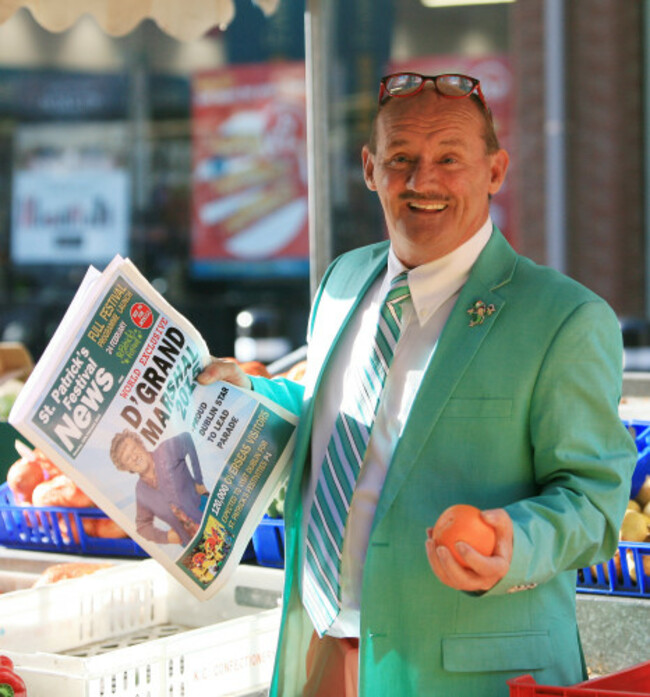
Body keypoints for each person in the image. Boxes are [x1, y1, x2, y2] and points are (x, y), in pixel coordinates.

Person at [198, 72, 637, 696]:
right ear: (371, 169)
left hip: (469, 675)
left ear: (495, 171)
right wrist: (246, 397)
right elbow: (339, 424)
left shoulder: (564, 318)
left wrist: (509, 544)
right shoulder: (342, 280)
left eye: (449, 159)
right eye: (401, 158)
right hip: (321, 650)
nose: (422, 180)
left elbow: (595, 501)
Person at [109, 429, 209, 546]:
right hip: (192, 544)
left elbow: (186, 439)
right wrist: (166, 537)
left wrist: (199, 481)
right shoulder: (141, 491)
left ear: (141, 445)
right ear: (126, 468)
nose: (134, 457)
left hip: (209, 515)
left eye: (134, 449)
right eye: (128, 458)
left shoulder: (165, 451)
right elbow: (142, 526)